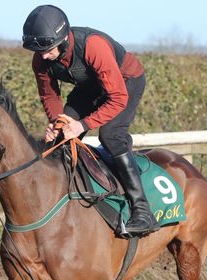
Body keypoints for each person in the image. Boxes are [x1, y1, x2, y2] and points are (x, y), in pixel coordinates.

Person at [22, 4, 159, 238]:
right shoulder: (41, 58)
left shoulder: (93, 46)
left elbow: (117, 98)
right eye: (39, 50)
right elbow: (49, 95)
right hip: (90, 87)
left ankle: (143, 211)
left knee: (111, 135)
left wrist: (82, 125)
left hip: (125, 83)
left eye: (49, 49)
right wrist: (59, 124)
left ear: (63, 38)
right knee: (60, 139)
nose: (44, 56)